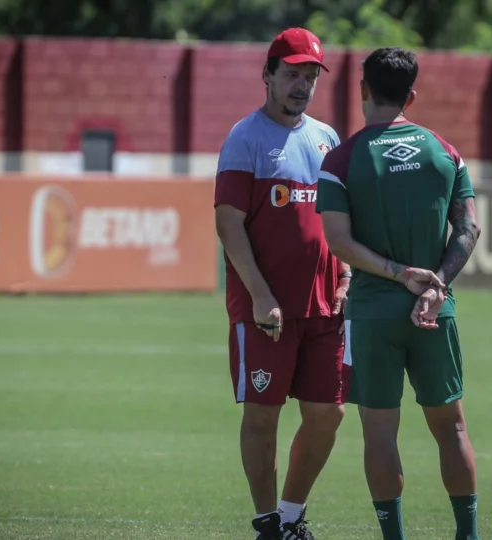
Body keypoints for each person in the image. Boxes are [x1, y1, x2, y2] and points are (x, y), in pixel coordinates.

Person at [315, 47, 483, 540]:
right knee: (451, 429)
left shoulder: (341, 160)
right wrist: (437, 284)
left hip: (371, 315)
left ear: (363, 90)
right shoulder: (445, 153)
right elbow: (469, 230)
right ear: (411, 96)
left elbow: (338, 242)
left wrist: (395, 272)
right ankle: (467, 535)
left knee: (380, 434)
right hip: (435, 310)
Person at [213, 27, 351, 540]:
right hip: (265, 311)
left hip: (324, 306)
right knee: (262, 418)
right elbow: (228, 224)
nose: (301, 85)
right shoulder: (244, 137)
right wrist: (261, 294)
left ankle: (292, 516)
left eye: (310, 76)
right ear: (267, 75)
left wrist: (348, 275)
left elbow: (342, 220)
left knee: (329, 414)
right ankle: (268, 524)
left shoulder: (328, 138)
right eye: (292, 74)